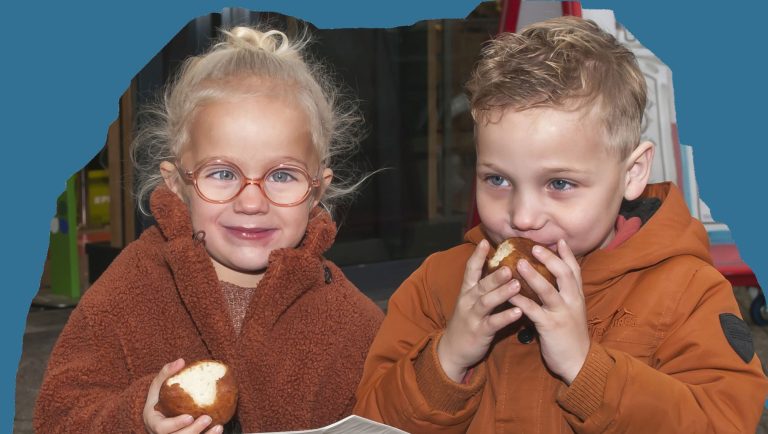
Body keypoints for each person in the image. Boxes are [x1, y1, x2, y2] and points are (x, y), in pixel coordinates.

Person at [354, 16, 768, 433]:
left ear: (632, 173)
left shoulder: (688, 293)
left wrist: (585, 367)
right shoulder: (435, 286)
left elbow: (721, 422)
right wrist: (449, 356)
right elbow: (371, 419)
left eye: (560, 183)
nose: (522, 217)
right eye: (497, 179)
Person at [34, 26, 384, 434]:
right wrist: (138, 420)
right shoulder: (131, 289)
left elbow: (391, 411)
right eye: (222, 173)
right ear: (177, 183)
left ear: (317, 189)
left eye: (282, 176)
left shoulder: (352, 322)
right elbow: (58, 416)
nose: (251, 202)